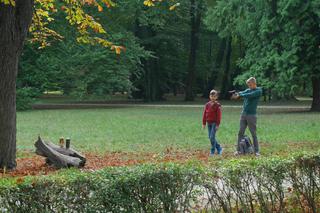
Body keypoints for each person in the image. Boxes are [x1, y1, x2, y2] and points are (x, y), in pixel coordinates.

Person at [232, 77, 262, 156]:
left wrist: (240, 94)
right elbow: (244, 92)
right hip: (243, 114)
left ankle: (256, 151)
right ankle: (238, 151)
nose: (249, 87)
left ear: (254, 83)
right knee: (240, 132)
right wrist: (237, 94)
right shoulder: (248, 90)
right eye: (248, 85)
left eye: (250, 85)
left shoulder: (258, 91)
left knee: (253, 133)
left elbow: (249, 95)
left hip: (251, 115)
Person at [202, 90, 223, 156]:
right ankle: (219, 147)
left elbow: (219, 116)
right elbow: (205, 114)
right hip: (209, 123)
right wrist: (204, 123)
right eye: (211, 96)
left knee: (212, 137)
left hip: (214, 123)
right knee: (210, 137)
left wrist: (217, 124)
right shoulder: (207, 105)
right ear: (209, 96)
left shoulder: (217, 105)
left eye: (214, 96)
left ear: (216, 97)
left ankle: (213, 150)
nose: (213, 97)